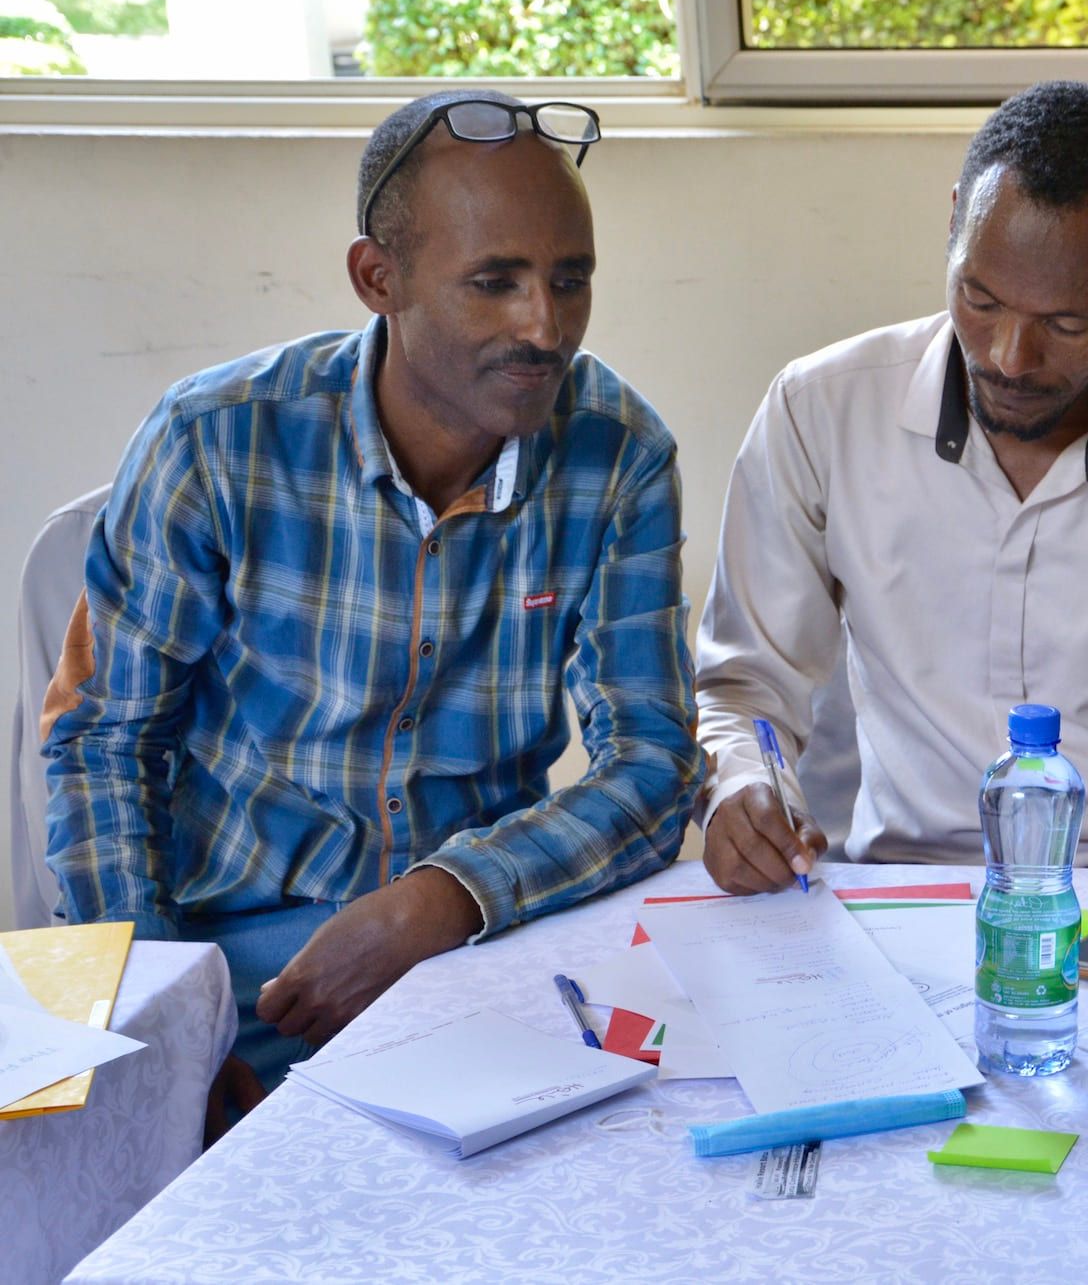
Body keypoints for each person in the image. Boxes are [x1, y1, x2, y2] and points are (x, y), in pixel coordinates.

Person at [43, 90, 705, 1110]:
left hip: (480, 945)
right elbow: (103, 743)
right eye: (495, 282)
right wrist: (172, 1028)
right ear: (377, 278)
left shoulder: (619, 454)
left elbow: (653, 767)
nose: (545, 326)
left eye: (570, 280)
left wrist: (441, 899)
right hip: (236, 960)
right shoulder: (216, 439)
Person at [696, 81, 1088, 893]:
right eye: (979, 299)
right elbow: (746, 684)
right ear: (955, 222)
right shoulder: (821, 410)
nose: (1010, 357)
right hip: (901, 890)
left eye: (1067, 323)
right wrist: (744, 784)